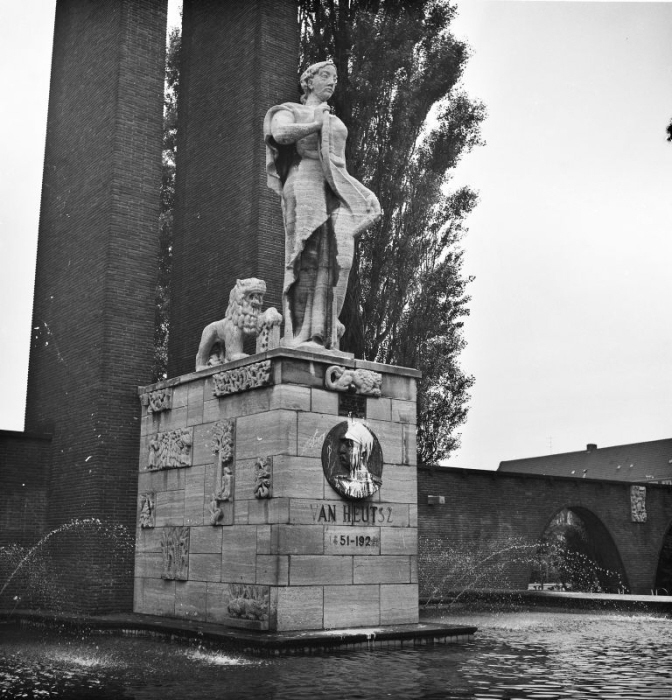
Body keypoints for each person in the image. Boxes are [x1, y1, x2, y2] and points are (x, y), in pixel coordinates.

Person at [264, 61, 381, 351]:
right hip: (304, 181)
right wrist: (316, 123)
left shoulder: (334, 118)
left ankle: (325, 330)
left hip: (335, 189)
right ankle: (303, 335)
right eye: (326, 76)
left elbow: (339, 166)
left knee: (342, 259)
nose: (332, 82)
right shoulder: (290, 109)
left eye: (335, 77)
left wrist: (364, 193)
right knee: (308, 256)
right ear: (309, 82)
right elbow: (280, 134)